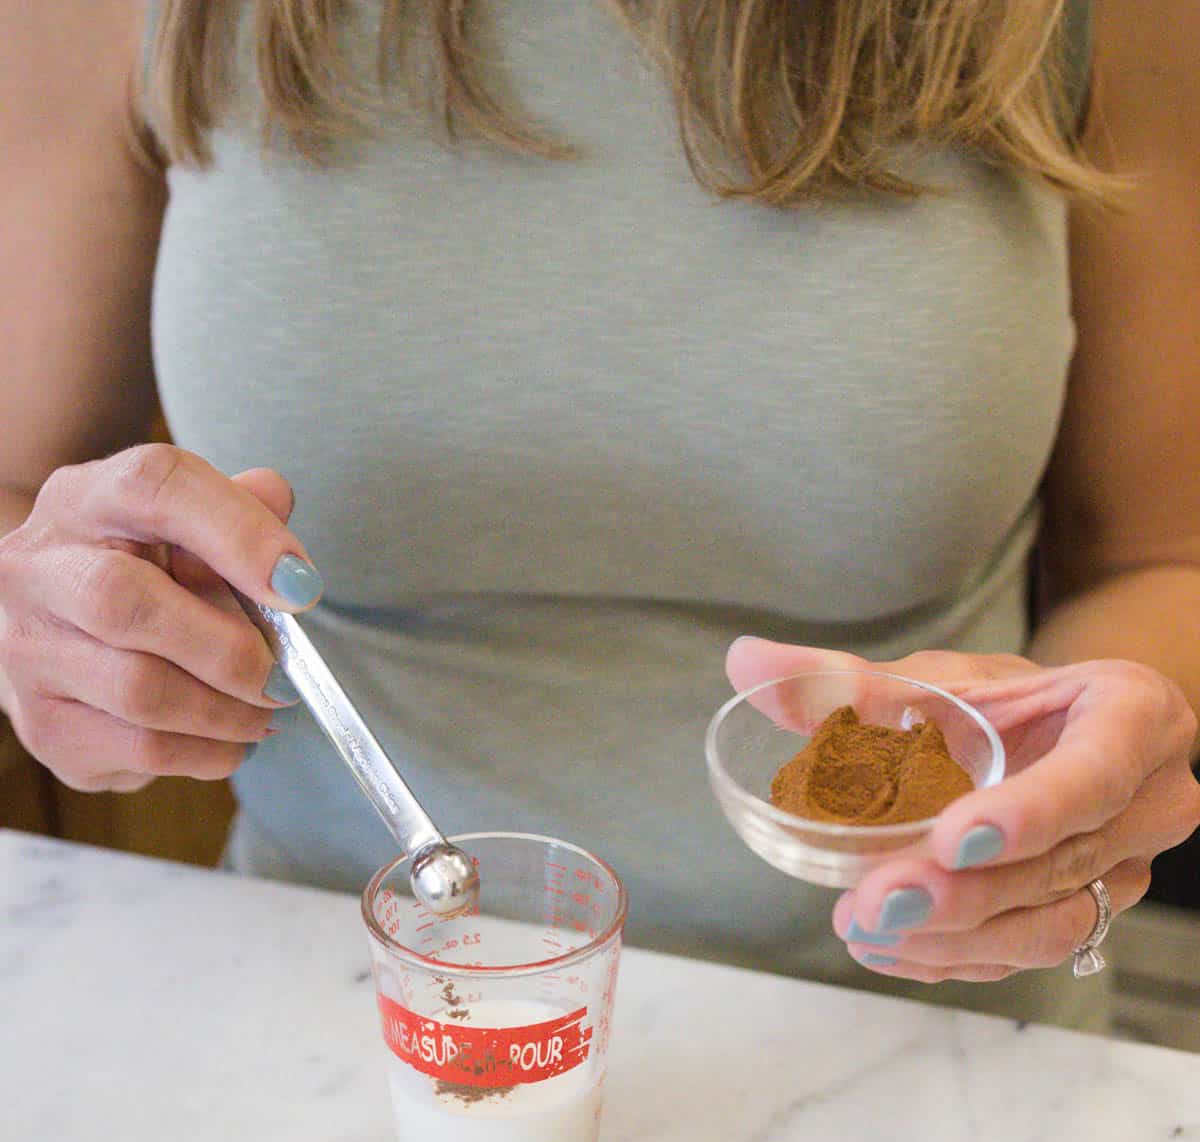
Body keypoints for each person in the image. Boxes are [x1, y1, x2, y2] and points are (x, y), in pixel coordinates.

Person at [1, 0, 1197, 1035]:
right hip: (337, 1019)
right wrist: (56, 627)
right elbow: (21, 499)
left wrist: (1080, 781)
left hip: (913, 1052)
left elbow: (1161, 553)